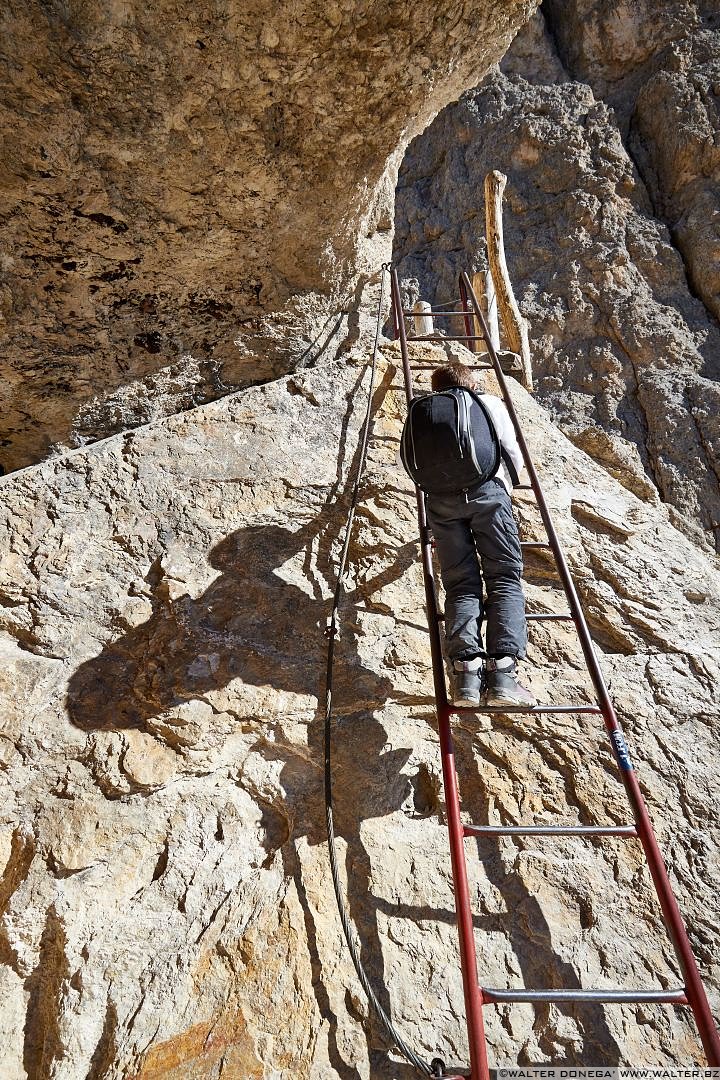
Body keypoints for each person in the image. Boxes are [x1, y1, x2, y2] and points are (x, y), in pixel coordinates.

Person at [424, 362, 535, 709]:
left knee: (459, 585)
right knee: (503, 578)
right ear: (470, 382)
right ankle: (503, 675)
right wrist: (507, 486)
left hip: (440, 502)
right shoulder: (486, 403)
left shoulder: (427, 411)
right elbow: (511, 450)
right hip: (487, 494)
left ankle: (467, 678)